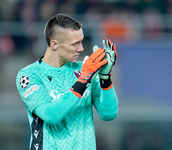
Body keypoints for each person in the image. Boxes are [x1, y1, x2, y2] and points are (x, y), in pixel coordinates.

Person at [16, 13, 118, 150]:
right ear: (55, 44)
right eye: (75, 44)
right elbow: (50, 115)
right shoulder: (29, 76)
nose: (81, 48)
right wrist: (83, 81)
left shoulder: (85, 70)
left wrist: (105, 77)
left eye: (81, 41)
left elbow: (109, 114)